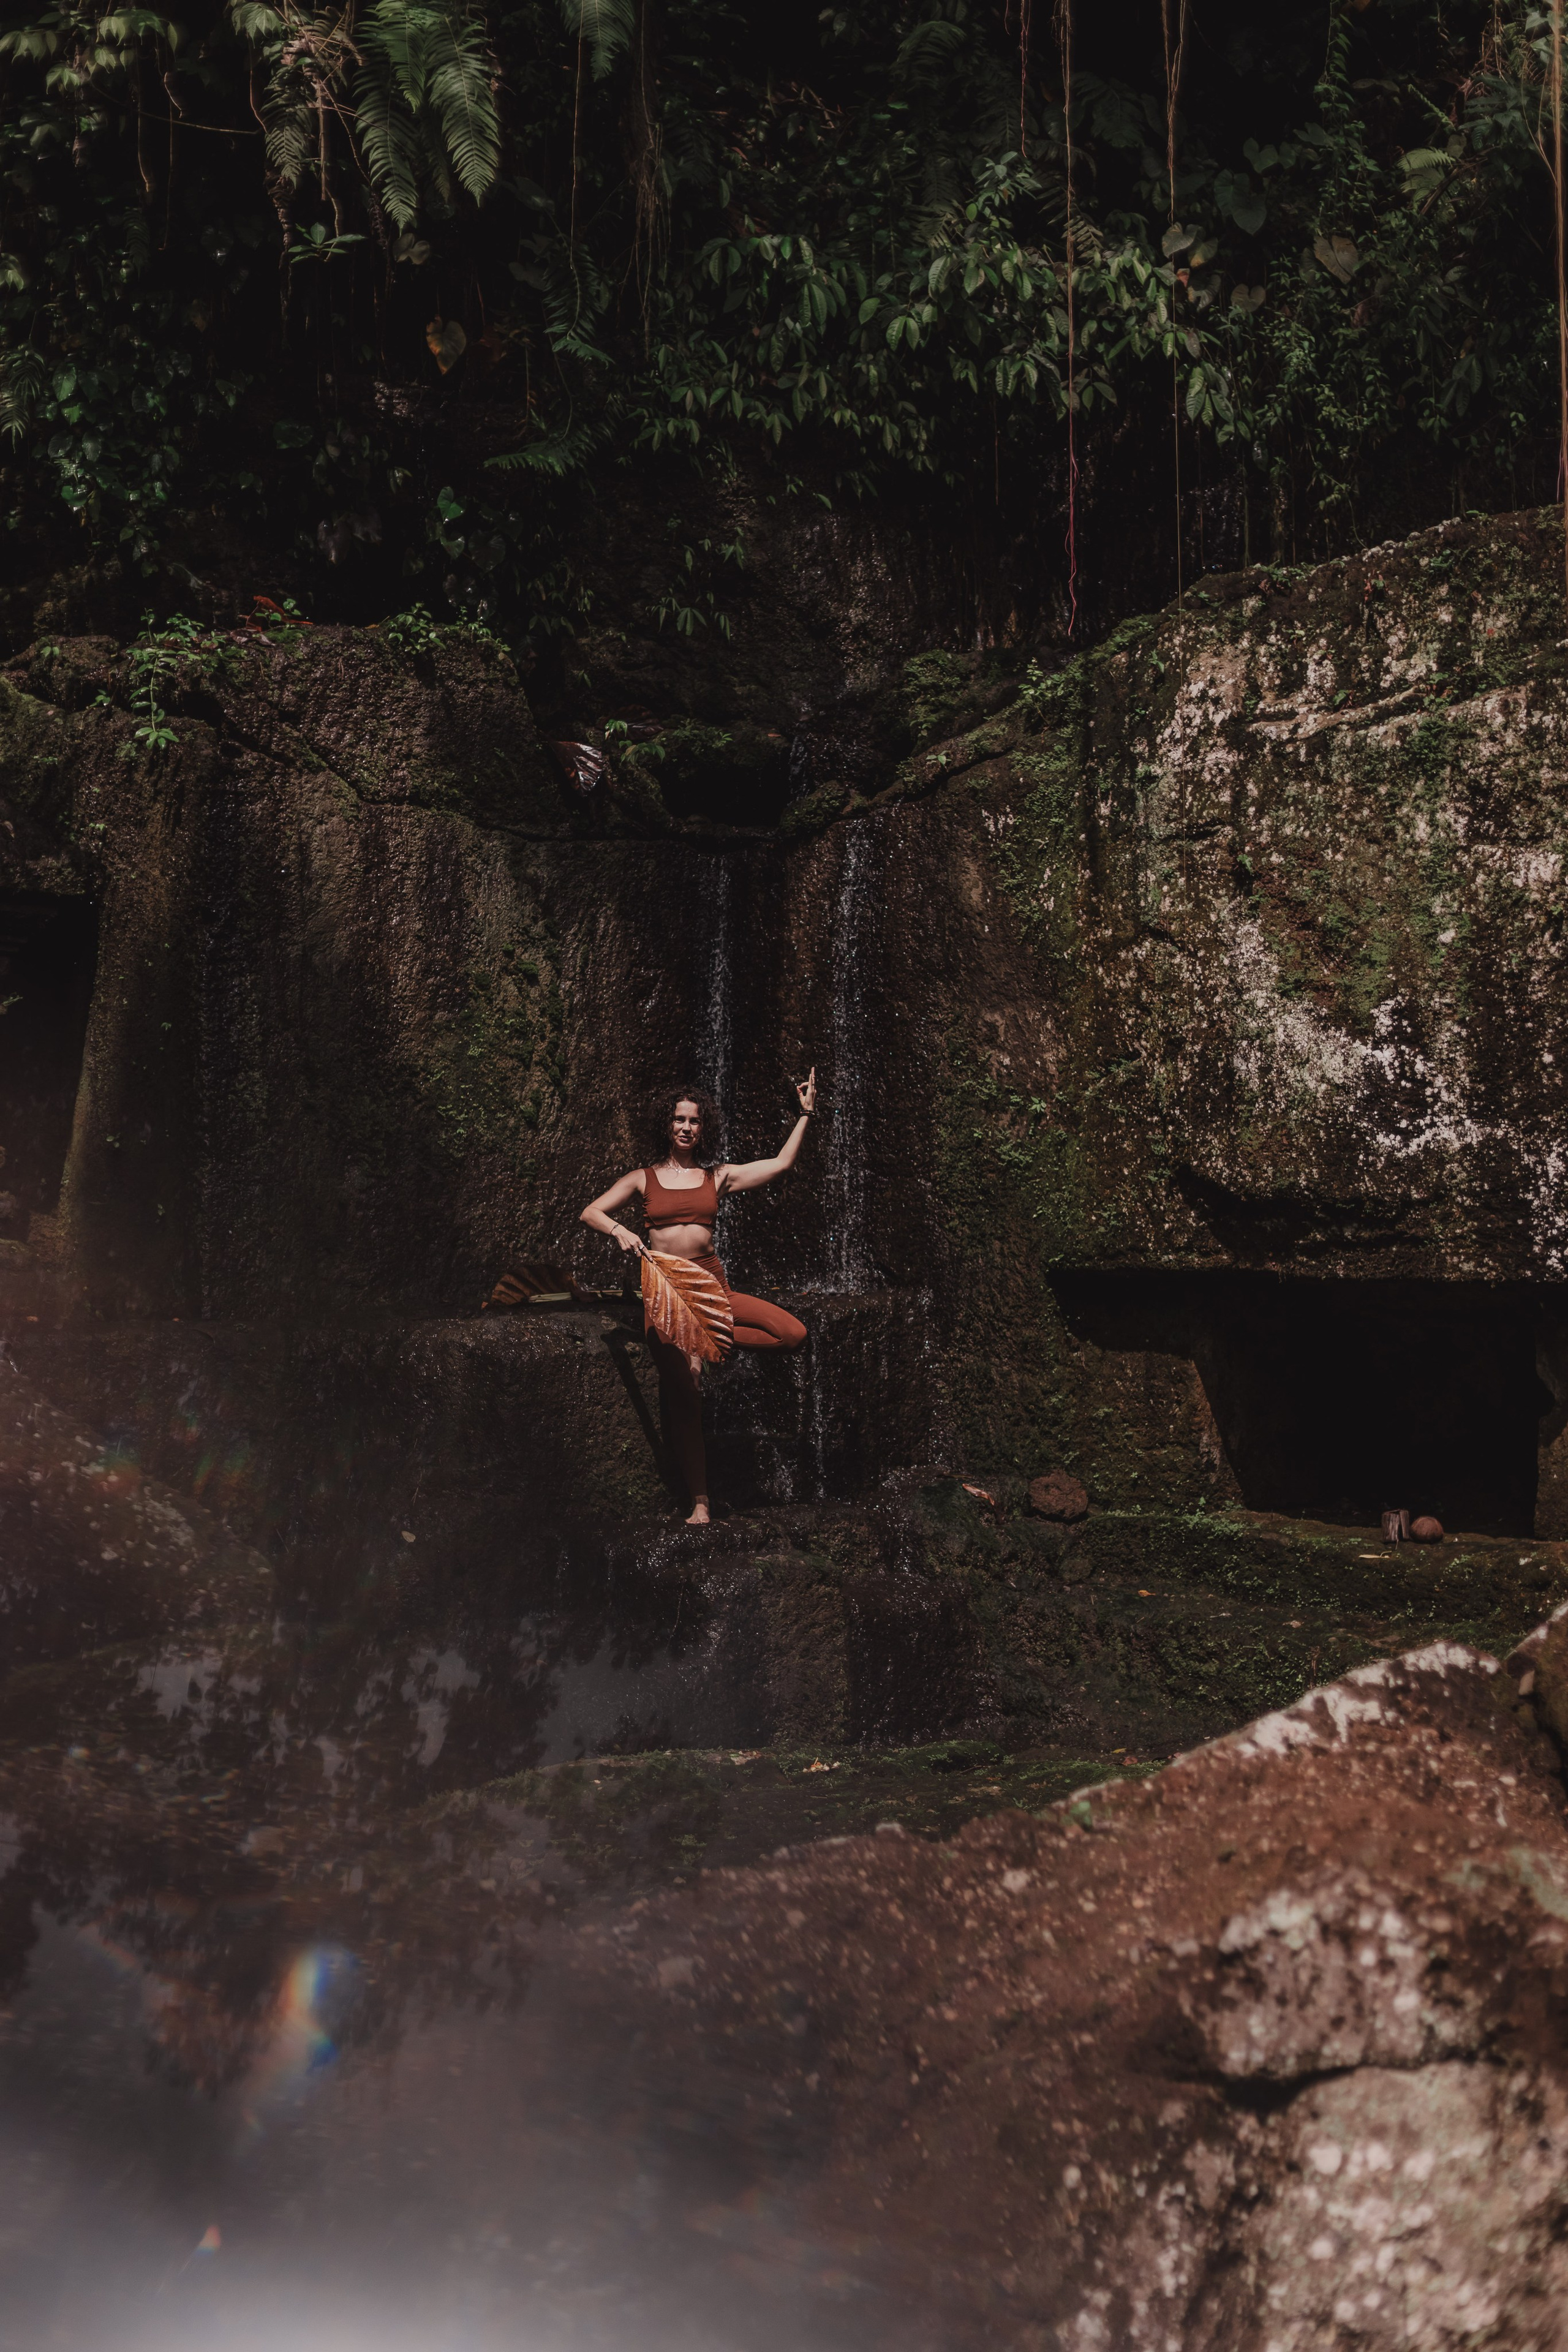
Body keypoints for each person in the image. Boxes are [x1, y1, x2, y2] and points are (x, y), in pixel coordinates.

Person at [581, 1074, 816, 1523]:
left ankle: (711, 1344)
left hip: (712, 1290)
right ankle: (701, 1503)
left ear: (703, 1128)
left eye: (694, 1121)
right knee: (686, 1397)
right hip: (665, 1297)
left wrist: (806, 1113)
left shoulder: (718, 1176)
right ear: (667, 1125)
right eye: (679, 1119)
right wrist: (621, 1230)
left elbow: (781, 1165)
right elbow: (591, 1211)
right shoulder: (642, 1179)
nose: (686, 1127)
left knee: (793, 1333)